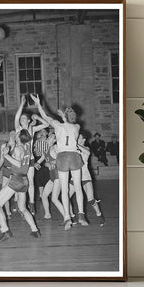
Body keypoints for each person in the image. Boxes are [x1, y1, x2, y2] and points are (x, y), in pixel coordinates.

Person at [30, 94, 87, 230]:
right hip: (74, 156)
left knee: (65, 190)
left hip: (62, 157)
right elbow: (68, 124)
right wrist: (64, 116)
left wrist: (38, 104)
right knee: (78, 187)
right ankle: (81, 214)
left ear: (64, 117)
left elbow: (45, 116)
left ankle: (67, 217)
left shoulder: (57, 126)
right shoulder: (77, 127)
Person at [0, 129, 41, 242]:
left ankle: (5, 231)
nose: (15, 135)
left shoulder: (18, 148)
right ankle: (35, 230)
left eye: (17, 134)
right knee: (22, 208)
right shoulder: (27, 148)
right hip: (24, 179)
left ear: (19, 137)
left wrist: (6, 155)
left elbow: (18, 163)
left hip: (16, 179)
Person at [14, 95, 48, 215]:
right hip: (20, 160)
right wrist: (21, 104)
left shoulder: (32, 129)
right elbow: (16, 116)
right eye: (21, 119)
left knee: (31, 181)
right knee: (21, 182)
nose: (21, 120)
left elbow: (46, 125)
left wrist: (37, 116)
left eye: (24, 118)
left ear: (28, 121)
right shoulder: (18, 129)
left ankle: (32, 204)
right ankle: (20, 204)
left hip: (31, 159)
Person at [70, 134, 105, 226]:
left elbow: (88, 153)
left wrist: (76, 144)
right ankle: (72, 217)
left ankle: (99, 215)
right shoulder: (73, 148)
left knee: (91, 199)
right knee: (66, 197)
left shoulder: (86, 148)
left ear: (83, 139)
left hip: (85, 177)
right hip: (74, 177)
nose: (77, 138)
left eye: (79, 137)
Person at [40, 132, 65, 220]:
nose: (49, 137)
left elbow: (61, 159)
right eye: (49, 135)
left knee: (54, 199)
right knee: (44, 196)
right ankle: (47, 214)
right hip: (52, 177)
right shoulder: (46, 150)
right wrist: (47, 164)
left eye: (51, 136)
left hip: (58, 176)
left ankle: (67, 218)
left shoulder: (55, 147)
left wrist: (52, 163)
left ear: (55, 140)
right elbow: (46, 163)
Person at [0, 130, 16, 219]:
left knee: (17, 192)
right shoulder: (4, 145)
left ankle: (21, 209)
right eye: (11, 133)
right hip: (6, 171)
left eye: (14, 133)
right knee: (4, 191)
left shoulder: (18, 146)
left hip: (15, 172)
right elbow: (2, 160)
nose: (12, 135)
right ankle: (8, 213)